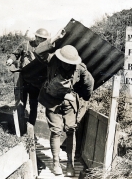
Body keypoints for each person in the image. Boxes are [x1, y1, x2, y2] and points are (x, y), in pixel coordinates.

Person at [34, 29, 94, 176]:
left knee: (70, 130)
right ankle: (56, 164)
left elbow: (89, 83)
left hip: (69, 102)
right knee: (56, 131)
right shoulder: (52, 60)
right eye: (65, 62)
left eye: (70, 63)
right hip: (52, 101)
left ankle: (70, 164)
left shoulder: (80, 68)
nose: (68, 65)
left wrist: (84, 96)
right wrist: (55, 37)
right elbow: (38, 51)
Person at [6, 28, 50, 126]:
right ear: (36, 36)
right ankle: (20, 124)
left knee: (34, 105)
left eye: (44, 39)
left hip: (36, 82)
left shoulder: (47, 49)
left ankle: (31, 126)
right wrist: (11, 59)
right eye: (40, 38)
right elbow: (15, 54)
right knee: (21, 102)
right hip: (23, 79)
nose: (41, 40)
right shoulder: (26, 45)